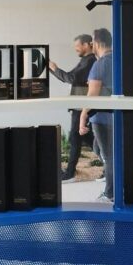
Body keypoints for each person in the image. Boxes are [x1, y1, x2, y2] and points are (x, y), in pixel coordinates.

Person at [49, 34, 96, 181]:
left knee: (75, 138)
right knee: (86, 138)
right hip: (79, 106)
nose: (75, 48)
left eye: (77, 45)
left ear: (87, 44)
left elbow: (71, 78)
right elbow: (69, 77)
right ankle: (109, 163)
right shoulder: (85, 60)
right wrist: (52, 69)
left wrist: (54, 68)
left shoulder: (90, 61)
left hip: (82, 107)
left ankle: (70, 173)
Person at [78, 28, 114, 202]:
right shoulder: (118, 60)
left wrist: (82, 117)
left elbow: (92, 95)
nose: (91, 44)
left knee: (108, 156)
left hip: (101, 118)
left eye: (92, 41)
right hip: (113, 117)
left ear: (98, 43)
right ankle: (112, 177)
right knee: (98, 148)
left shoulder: (99, 65)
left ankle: (110, 193)